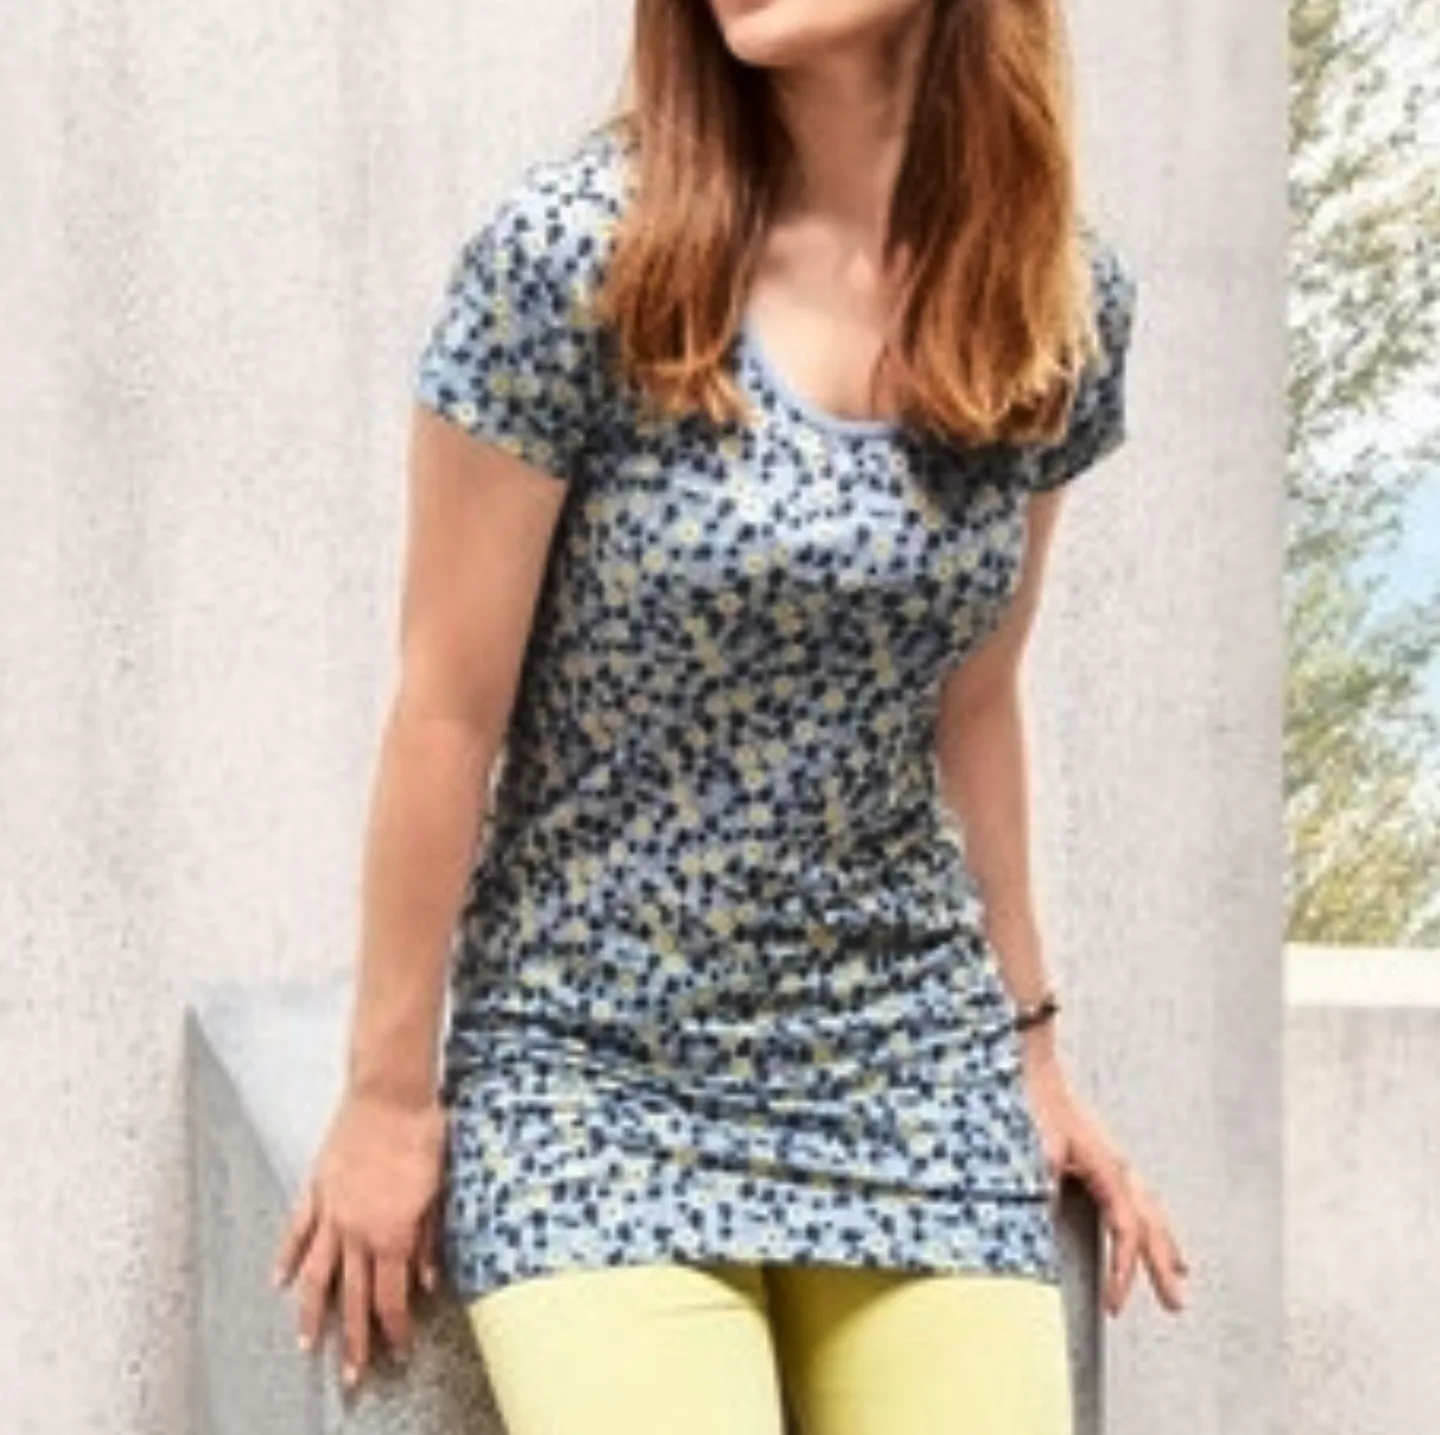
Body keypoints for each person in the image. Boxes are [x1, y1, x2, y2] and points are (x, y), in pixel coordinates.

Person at [272, 1, 1191, 1430]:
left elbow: (975, 696)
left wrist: (1032, 1043)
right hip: (596, 1068)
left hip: (909, 1060)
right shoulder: (575, 257)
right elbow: (447, 708)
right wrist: (390, 1096)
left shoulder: (1053, 296)